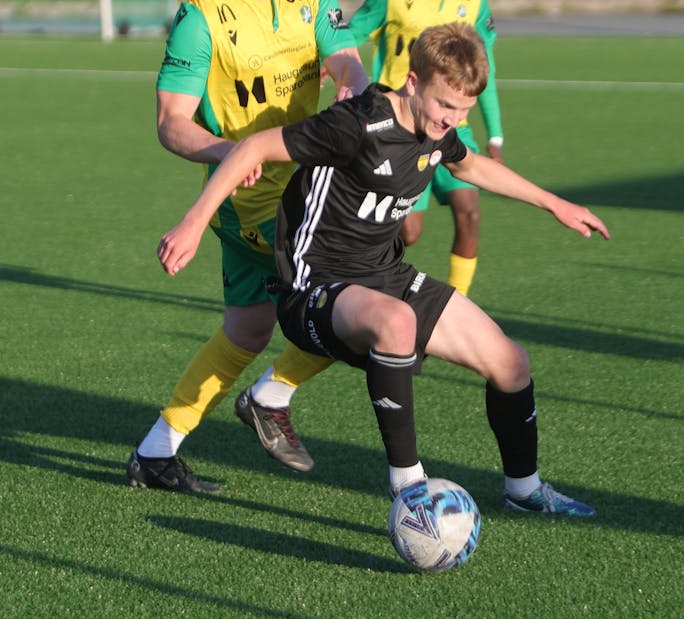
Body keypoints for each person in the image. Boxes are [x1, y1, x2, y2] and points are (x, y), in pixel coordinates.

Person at [155, 23, 609, 515]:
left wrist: (555, 203)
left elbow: (469, 165)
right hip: (315, 284)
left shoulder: (437, 130)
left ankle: (525, 491)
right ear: (413, 82)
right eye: (445, 106)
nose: (453, 120)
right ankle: (409, 486)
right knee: (396, 322)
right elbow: (253, 147)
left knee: (511, 363)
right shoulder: (356, 124)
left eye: (464, 111)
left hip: (385, 275)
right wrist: (192, 224)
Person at [126, 0, 370, 493]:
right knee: (361, 303)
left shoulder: (314, 4)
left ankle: (154, 453)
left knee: (247, 329)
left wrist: (351, 85)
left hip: (306, 190)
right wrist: (231, 153)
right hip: (248, 204)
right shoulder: (201, 17)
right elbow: (171, 121)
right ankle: (271, 395)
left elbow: (349, 63)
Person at [347, 0, 505, 297]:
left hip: (452, 129)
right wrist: (334, 70)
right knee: (409, 232)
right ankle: (361, 277)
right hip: (400, 126)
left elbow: (485, 71)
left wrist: (495, 135)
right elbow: (349, 37)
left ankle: (457, 302)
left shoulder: (475, 6)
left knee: (469, 213)